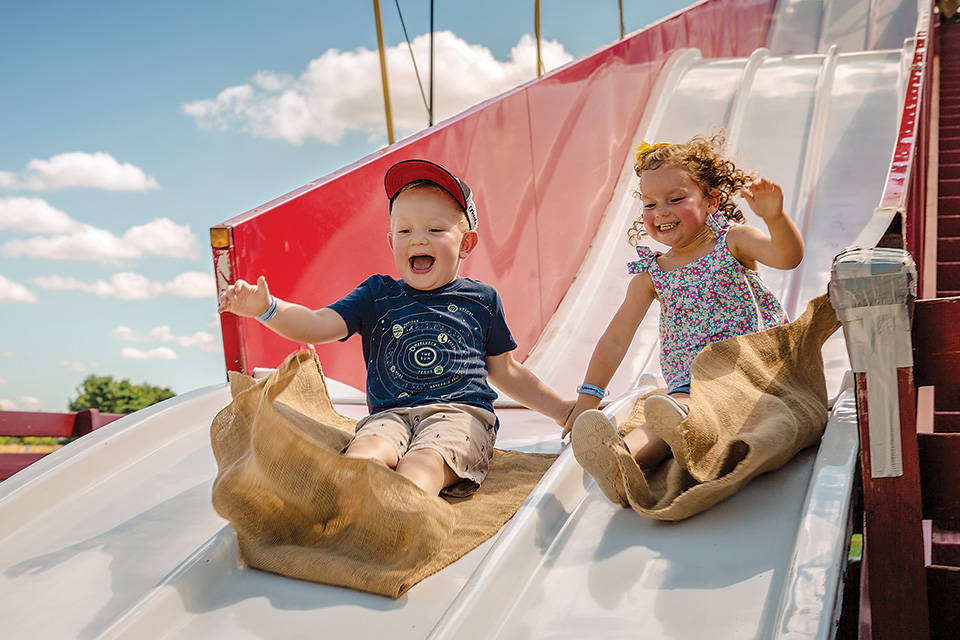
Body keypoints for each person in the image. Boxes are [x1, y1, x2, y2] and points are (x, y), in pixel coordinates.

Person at [219, 159, 575, 497]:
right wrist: (267, 308)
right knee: (365, 451)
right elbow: (317, 324)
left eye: (435, 229)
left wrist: (562, 410)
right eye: (405, 230)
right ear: (392, 243)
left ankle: (403, 509)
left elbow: (506, 371)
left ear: (466, 244)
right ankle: (347, 504)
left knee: (424, 460)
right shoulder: (377, 294)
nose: (418, 239)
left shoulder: (480, 299)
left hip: (461, 414)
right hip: (389, 416)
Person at [563, 133, 804, 506]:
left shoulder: (734, 241)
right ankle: (618, 459)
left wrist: (775, 218)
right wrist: (587, 399)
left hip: (748, 369)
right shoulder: (651, 275)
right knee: (663, 417)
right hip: (688, 380)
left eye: (676, 199)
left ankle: (664, 431)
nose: (661, 211)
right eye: (649, 203)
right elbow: (615, 339)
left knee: (684, 410)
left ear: (711, 201)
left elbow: (787, 258)